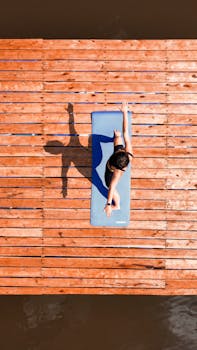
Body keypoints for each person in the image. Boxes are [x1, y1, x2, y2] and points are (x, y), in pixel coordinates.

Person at [104, 102, 133, 217]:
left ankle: (117, 205)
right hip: (120, 158)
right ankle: (116, 136)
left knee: (109, 185)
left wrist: (108, 203)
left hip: (110, 172)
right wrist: (125, 113)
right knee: (119, 137)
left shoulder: (116, 172)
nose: (120, 149)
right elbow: (126, 131)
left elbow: (111, 187)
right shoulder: (128, 152)